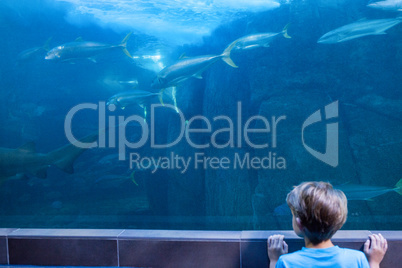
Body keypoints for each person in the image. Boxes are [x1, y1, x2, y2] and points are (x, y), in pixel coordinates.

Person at [267, 181, 388, 268]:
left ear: (299, 223)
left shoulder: (286, 262)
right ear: (340, 223)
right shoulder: (357, 259)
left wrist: (274, 260)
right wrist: (374, 262)